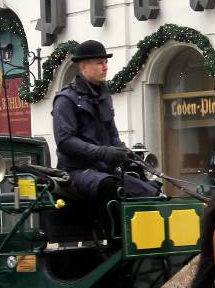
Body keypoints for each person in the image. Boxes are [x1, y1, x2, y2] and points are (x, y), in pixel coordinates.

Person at [52, 40, 160, 201]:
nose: (105, 67)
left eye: (106, 62)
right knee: (108, 186)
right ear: (83, 67)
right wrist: (103, 152)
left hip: (104, 169)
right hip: (75, 171)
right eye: (99, 63)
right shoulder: (66, 99)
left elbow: (113, 135)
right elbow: (65, 141)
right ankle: (109, 227)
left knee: (151, 190)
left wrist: (127, 157)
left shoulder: (104, 98)